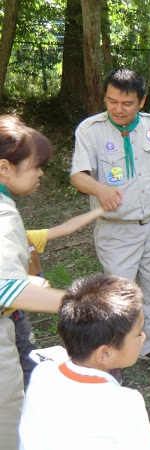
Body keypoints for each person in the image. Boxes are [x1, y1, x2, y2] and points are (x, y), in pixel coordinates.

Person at [70, 68, 150, 365]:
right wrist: (100, 189)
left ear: (141, 101)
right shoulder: (91, 130)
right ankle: (112, 358)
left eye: (126, 103)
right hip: (116, 230)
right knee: (117, 299)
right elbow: (78, 176)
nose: (117, 108)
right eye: (111, 100)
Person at [19, 273, 150, 449]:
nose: (143, 337)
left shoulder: (42, 373)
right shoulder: (126, 405)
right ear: (105, 354)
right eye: (138, 333)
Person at [0, 114, 65, 449]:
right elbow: (3, 289)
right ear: (5, 168)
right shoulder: (4, 213)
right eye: (36, 165)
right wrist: (80, 302)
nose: (41, 173)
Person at [11, 206, 105, 387]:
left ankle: (34, 393)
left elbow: (67, 227)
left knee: (28, 356)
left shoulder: (25, 237)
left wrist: (100, 209)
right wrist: (24, 280)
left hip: (17, 315)